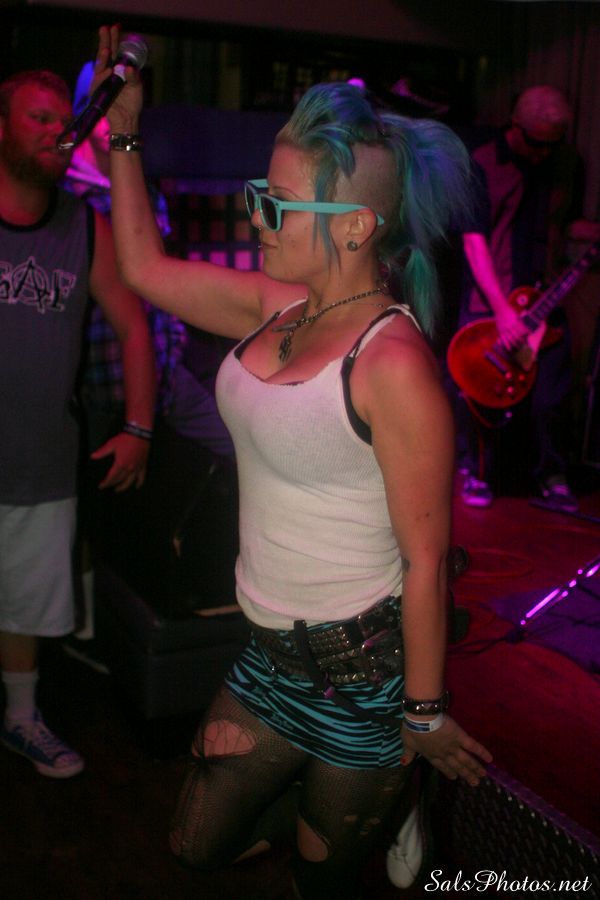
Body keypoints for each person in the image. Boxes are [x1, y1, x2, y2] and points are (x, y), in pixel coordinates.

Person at [94, 24, 492, 898]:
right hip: (269, 659)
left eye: (276, 205)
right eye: (258, 196)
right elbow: (142, 266)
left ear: (354, 227)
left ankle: (393, 793)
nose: (256, 217)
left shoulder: (393, 367)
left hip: (365, 679)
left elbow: (427, 561)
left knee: (322, 884)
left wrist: (425, 715)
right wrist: (125, 134)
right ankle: (338, 805)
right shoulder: (276, 306)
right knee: (194, 843)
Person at [0, 68, 156, 777]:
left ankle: (21, 718)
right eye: (37, 117)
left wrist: (139, 427)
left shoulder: (85, 228)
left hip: (41, 461)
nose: (55, 132)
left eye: (62, 121)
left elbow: (134, 325)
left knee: (26, 607)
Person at [61, 64, 234, 667]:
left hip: (165, 374)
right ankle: (86, 630)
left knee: (238, 444)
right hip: (101, 380)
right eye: (108, 102)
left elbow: (161, 277)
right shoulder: (66, 194)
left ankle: (214, 583)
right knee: (90, 512)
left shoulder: (138, 180)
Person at [455, 85, 579, 511]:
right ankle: (475, 470)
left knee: (550, 396)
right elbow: (474, 242)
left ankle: (551, 473)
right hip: (493, 301)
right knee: (480, 393)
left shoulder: (565, 166)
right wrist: (504, 311)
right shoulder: (482, 165)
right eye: (535, 142)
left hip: (544, 298)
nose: (543, 153)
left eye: (552, 144)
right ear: (516, 125)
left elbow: (567, 225)